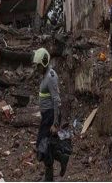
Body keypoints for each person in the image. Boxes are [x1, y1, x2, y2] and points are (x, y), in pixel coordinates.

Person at [33, 48, 69, 181]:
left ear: (44, 62)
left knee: (41, 146)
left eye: (38, 65)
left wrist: (55, 123)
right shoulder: (45, 75)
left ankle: (49, 176)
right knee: (47, 145)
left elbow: (57, 101)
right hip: (46, 115)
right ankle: (61, 158)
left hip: (50, 116)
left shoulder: (50, 77)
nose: (36, 68)